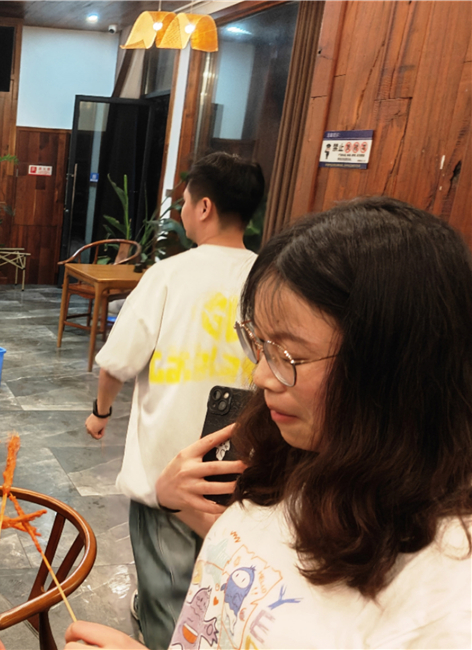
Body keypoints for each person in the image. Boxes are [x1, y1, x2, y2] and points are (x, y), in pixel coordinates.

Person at [66, 196, 472, 649]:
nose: (260, 376)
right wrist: (173, 501)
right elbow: (262, 568)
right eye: (259, 344)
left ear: (396, 365)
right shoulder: (296, 458)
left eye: (289, 354)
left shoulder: (446, 604)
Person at [83, 152, 264, 649]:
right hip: (244, 468)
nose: (181, 211)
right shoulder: (269, 276)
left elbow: (117, 362)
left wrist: (100, 413)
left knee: (168, 590)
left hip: (169, 473)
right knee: (223, 586)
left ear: (204, 207)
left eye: (184, 202)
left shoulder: (168, 274)